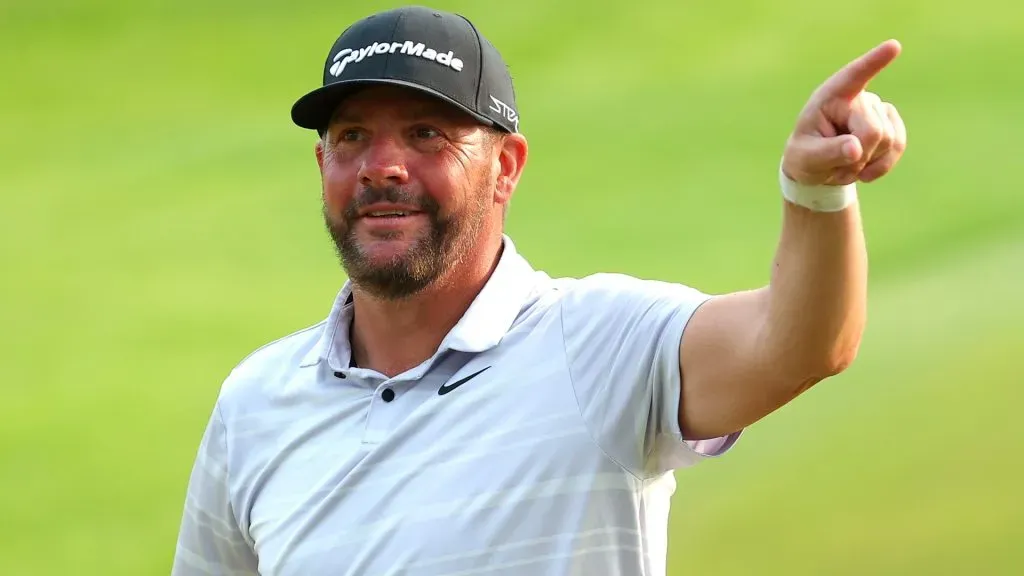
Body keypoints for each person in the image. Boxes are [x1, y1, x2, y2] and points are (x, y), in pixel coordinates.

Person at [171, 5, 906, 576]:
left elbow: (799, 343)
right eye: (353, 136)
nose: (381, 166)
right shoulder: (256, 401)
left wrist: (814, 193)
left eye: (427, 134)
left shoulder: (601, 344)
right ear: (321, 162)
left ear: (507, 166)